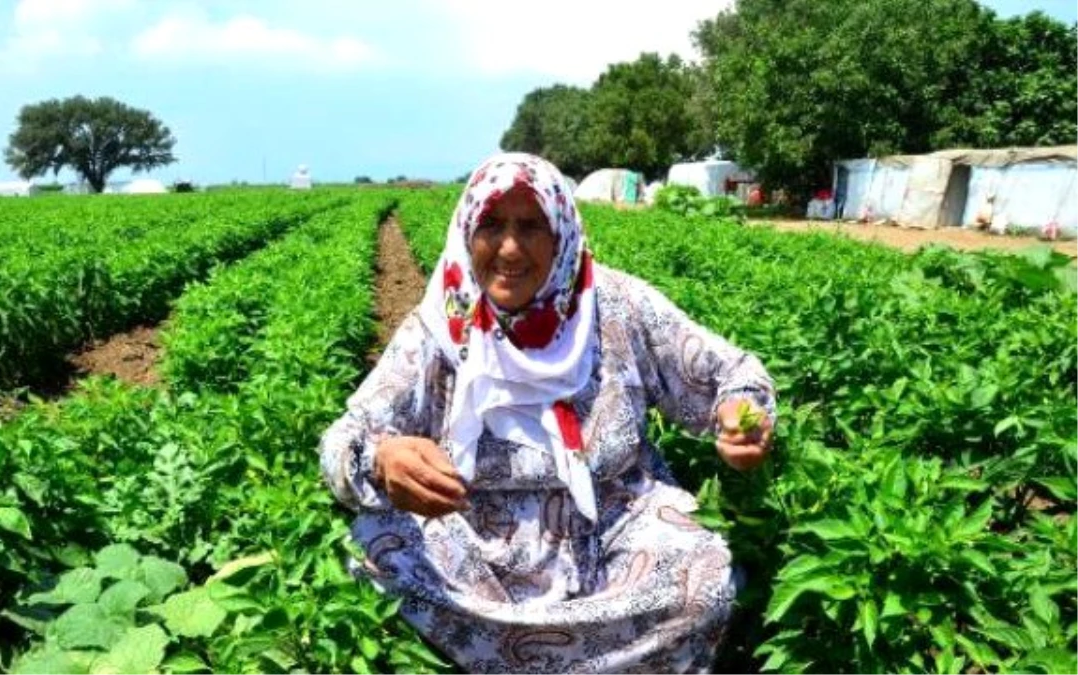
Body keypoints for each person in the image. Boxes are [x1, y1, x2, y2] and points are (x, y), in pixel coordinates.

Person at [319, 152, 776, 673]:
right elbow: (344, 438)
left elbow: (730, 373)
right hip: (475, 548)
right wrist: (381, 458)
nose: (509, 248)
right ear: (467, 230)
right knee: (373, 555)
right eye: (491, 224)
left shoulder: (615, 305)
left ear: (561, 232)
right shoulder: (440, 328)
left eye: (531, 226)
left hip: (614, 531)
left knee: (705, 579)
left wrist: (742, 413)